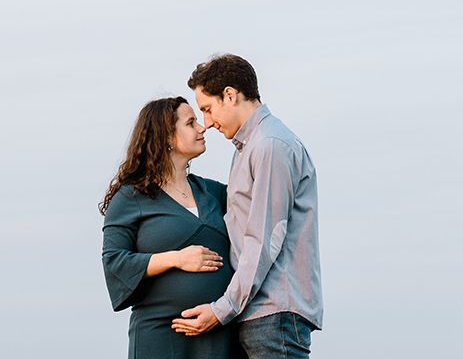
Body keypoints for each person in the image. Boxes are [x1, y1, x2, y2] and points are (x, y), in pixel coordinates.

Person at [172, 54, 323, 358]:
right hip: (259, 315)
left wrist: (221, 310)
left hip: (273, 315)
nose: (208, 123)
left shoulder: (269, 146)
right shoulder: (248, 148)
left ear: (230, 95)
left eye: (208, 109)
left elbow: (264, 239)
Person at [101, 96, 241, 359]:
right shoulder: (130, 198)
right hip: (160, 333)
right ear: (166, 136)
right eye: (191, 123)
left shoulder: (214, 192)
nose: (203, 128)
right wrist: (177, 259)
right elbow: (114, 261)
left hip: (218, 332)